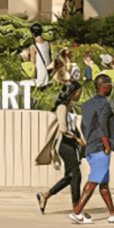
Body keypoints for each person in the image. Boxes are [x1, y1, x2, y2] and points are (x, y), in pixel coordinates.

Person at [70, 74, 114, 225]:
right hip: (101, 148)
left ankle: (113, 213)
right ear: (104, 87)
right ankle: (77, 212)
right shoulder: (104, 104)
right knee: (95, 180)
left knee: (103, 183)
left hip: (91, 147)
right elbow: (102, 125)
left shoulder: (87, 104)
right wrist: (106, 145)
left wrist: (90, 141)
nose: (112, 87)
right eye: (110, 84)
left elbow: (83, 126)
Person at [38, 82, 86, 216]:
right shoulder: (61, 107)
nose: (80, 95)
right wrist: (76, 139)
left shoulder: (71, 107)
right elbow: (64, 129)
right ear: (73, 92)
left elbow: (73, 127)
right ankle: (77, 208)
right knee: (76, 174)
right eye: (79, 92)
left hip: (71, 143)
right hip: (64, 144)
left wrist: (80, 138)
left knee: (70, 176)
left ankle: (45, 196)